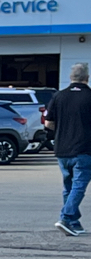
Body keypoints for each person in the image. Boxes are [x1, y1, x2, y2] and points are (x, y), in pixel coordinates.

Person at [46, 63, 91, 236]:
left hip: (62, 149)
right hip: (83, 149)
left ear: (71, 78)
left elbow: (49, 123)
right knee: (79, 186)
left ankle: (73, 223)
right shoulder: (89, 96)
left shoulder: (58, 96)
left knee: (69, 186)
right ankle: (65, 217)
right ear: (87, 78)